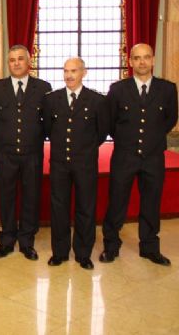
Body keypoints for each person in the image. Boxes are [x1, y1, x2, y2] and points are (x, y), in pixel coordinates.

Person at [100, 43, 178, 266]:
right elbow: (111, 121)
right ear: (131, 62)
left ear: (153, 60)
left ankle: (150, 248)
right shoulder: (118, 89)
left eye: (146, 57)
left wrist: (152, 138)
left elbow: (170, 119)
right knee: (117, 202)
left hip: (153, 157)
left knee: (151, 203)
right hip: (125, 155)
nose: (142, 62)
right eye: (137, 58)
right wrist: (127, 140)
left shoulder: (167, 89)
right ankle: (111, 246)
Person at [43, 58, 109, 270]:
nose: (69, 75)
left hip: (85, 163)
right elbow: (48, 129)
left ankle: (83, 253)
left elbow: (101, 132)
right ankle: (60, 252)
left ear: (84, 72)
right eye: (65, 71)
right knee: (59, 207)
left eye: (73, 71)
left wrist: (85, 149)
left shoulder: (97, 100)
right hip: (60, 162)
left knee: (85, 208)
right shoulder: (52, 99)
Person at [0, 44, 51, 261]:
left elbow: (48, 121)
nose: (16, 63)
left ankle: (27, 241)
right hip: (5, 154)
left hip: (32, 153)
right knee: (6, 198)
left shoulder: (43, 87)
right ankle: (6, 240)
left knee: (30, 198)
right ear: (8, 64)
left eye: (20, 59)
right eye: (12, 60)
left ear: (29, 62)